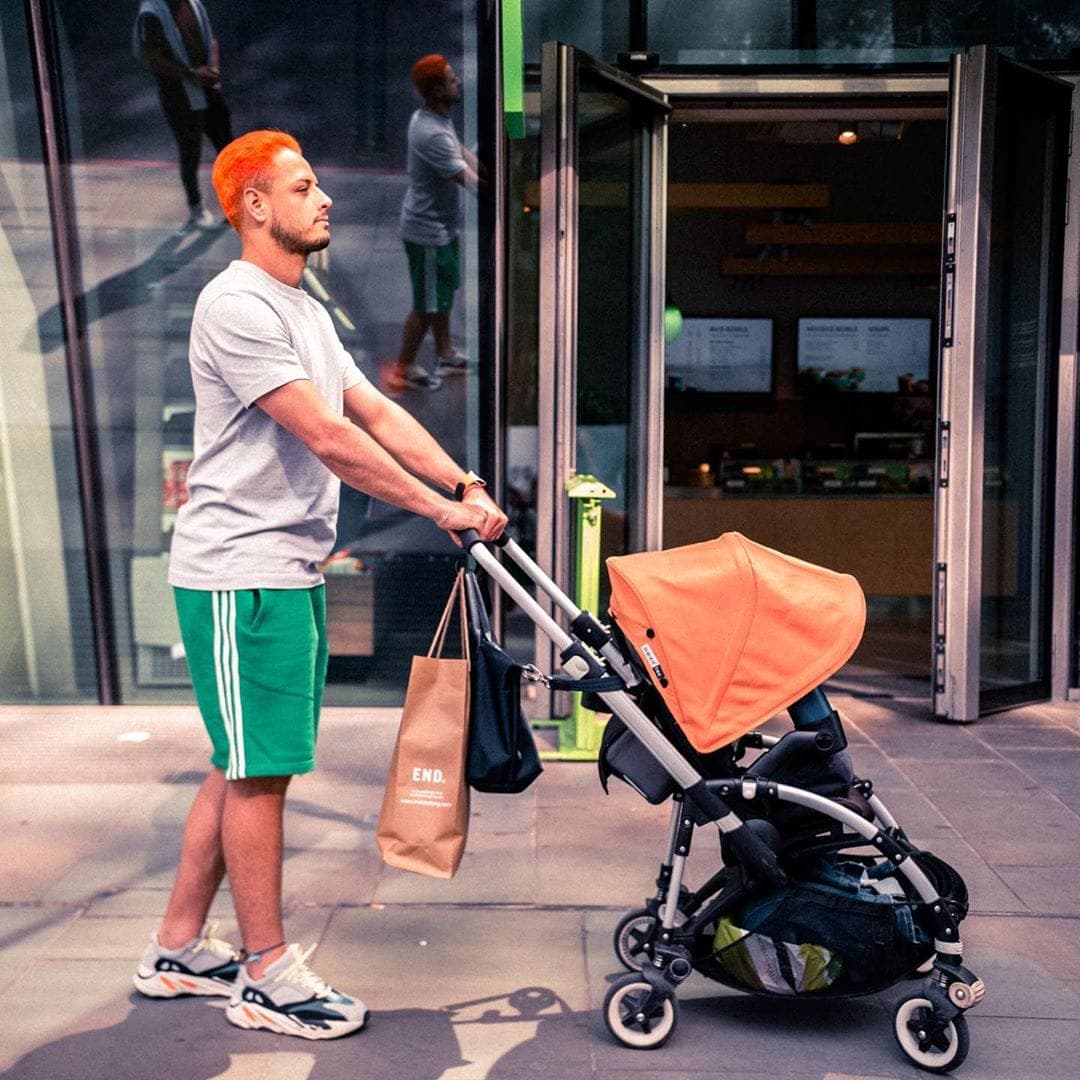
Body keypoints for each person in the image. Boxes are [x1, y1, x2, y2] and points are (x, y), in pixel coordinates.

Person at [132, 129, 507, 1040]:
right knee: (262, 774)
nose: (324, 199)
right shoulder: (237, 305)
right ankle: (265, 973)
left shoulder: (303, 309)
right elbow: (330, 439)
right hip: (239, 576)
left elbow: (374, 410)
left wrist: (462, 483)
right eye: (304, 187)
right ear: (256, 205)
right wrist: (435, 510)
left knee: (240, 761)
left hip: (283, 568)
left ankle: (178, 948)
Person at [389, 54, 482, 392]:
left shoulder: (433, 116)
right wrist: (508, 193)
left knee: (440, 295)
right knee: (427, 304)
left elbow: (459, 150)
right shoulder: (431, 134)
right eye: (452, 79)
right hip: (427, 233)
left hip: (442, 228)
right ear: (438, 90)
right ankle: (403, 368)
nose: (458, 82)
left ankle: (445, 353)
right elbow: (470, 182)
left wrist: (486, 166)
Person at [132, 0, 233, 228]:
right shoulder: (151, 13)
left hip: (209, 91)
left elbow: (210, 37)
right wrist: (190, 74)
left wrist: (213, 68)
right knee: (190, 153)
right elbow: (152, 58)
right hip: (179, 98)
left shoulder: (194, 3)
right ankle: (196, 207)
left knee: (228, 150)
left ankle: (234, 205)